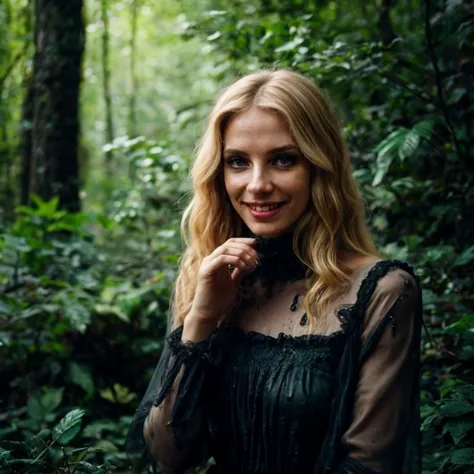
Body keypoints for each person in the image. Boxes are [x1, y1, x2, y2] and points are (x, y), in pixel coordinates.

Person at [126, 69, 422, 474]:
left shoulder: (383, 291)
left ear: (321, 166)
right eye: (237, 162)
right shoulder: (209, 277)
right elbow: (168, 453)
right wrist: (202, 317)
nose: (257, 184)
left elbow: (370, 465)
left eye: (283, 159)